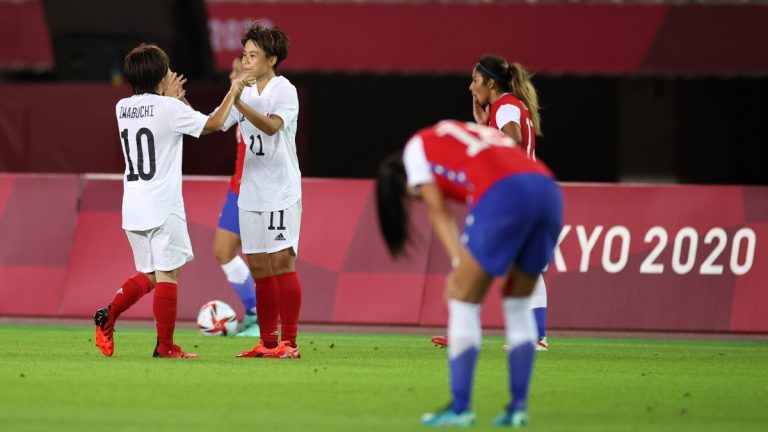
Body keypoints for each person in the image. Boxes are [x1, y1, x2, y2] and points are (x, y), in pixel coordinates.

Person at [376, 120, 563, 426]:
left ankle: (460, 409)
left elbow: (439, 211)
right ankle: (517, 408)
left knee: (461, 296)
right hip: (547, 189)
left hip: (504, 193)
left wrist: (457, 263)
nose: (417, 198)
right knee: (518, 303)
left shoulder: (415, 149)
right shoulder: (456, 133)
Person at [93, 43, 246, 359]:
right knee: (168, 275)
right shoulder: (168, 108)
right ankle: (165, 347)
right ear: (161, 74)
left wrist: (172, 100)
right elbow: (213, 124)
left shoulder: (122, 107)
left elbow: (161, 116)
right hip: (162, 205)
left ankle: (109, 313)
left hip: (133, 205)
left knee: (151, 274)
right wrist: (234, 89)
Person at [432, 55, 550, 351]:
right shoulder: (508, 106)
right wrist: (485, 127)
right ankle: (534, 336)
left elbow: (512, 141)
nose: (471, 87)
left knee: (476, 258)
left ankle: (473, 332)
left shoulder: (505, 106)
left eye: (475, 80)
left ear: (491, 82)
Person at [219, 24, 303, 359]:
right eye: (245, 54)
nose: (247, 61)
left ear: (271, 59)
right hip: (250, 192)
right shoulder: (244, 92)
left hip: (281, 190)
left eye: (253, 55)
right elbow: (216, 122)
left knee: (281, 261)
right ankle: (268, 343)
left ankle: (291, 343)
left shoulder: (284, 90)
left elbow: (271, 125)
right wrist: (181, 112)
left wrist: (239, 102)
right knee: (257, 265)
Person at [212, 56, 259, 337]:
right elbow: (211, 123)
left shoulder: (263, 99)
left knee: (263, 260)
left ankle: (265, 319)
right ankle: (255, 314)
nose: (231, 73)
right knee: (223, 250)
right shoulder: (236, 100)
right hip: (237, 189)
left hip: (259, 192)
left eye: (235, 69)